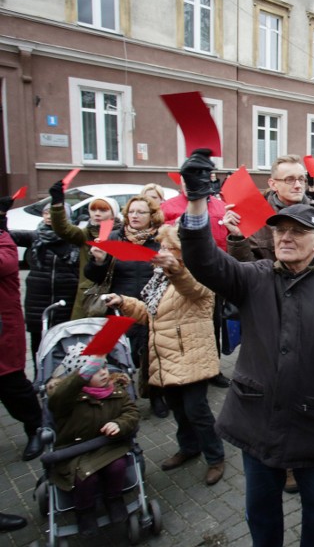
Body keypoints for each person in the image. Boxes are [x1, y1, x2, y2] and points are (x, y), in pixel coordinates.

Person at [178, 148, 314, 547]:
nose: (286, 238)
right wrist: (197, 200)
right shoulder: (254, 278)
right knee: (261, 510)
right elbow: (203, 261)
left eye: (297, 232)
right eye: (280, 231)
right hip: (256, 418)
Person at [103, 225, 225, 486]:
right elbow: (149, 314)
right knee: (179, 410)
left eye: (169, 248)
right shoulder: (159, 278)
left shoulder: (199, 275)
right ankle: (189, 448)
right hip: (164, 356)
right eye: (162, 247)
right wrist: (122, 301)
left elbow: (191, 289)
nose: (162, 252)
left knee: (197, 411)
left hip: (191, 354)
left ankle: (215, 458)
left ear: (184, 253)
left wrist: (176, 268)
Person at [86, 195, 167, 417]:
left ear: (152, 216)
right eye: (131, 212)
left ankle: (156, 396)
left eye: (140, 212)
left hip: (152, 306)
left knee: (153, 354)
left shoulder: (161, 239)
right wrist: (99, 261)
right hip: (119, 305)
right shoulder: (114, 238)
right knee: (119, 355)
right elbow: (93, 276)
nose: (134, 216)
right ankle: (119, 398)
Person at [48, 355, 140, 537]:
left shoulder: (117, 391)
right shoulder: (67, 401)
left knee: (118, 466)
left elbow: (131, 412)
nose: (103, 373)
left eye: (104, 368)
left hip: (108, 445)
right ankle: (84, 511)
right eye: (95, 371)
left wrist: (120, 424)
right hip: (76, 451)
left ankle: (114, 499)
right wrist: (80, 376)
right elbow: (61, 395)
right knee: (85, 477)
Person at [223, 154, 314, 276]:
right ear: (273, 184)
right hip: (271, 293)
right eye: (290, 180)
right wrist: (238, 238)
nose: (298, 185)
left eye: (301, 179)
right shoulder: (255, 216)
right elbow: (246, 271)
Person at [160, 178, 231, 388]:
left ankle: (213, 370)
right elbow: (161, 240)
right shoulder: (169, 206)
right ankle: (185, 372)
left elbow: (226, 239)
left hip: (214, 275)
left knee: (213, 324)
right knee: (184, 326)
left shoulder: (220, 206)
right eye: (187, 179)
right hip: (181, 276)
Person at [3, 200, 79, 365]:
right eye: (46, 213)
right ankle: (39, 381)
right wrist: (2, 216)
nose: (49, 217)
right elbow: (6, 234)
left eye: (54, 213)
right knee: (38, 343)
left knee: (63, 343)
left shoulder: (75, 238)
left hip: (66, 299)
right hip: (37, 298)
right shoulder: (36, 235)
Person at [0, 211, 44, 461]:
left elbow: (5, 263)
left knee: (11, 384)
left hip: (3, 330)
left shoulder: (3, 240)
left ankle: (35, 425)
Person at [48, 182, 122, 320]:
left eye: (103, 210)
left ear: (113, 214)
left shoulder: (121, 235)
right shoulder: (85, 234)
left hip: (115, 292)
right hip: (88, 294)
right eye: (93, 210)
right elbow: (63, 229)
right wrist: (57, 204)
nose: (97, 214)